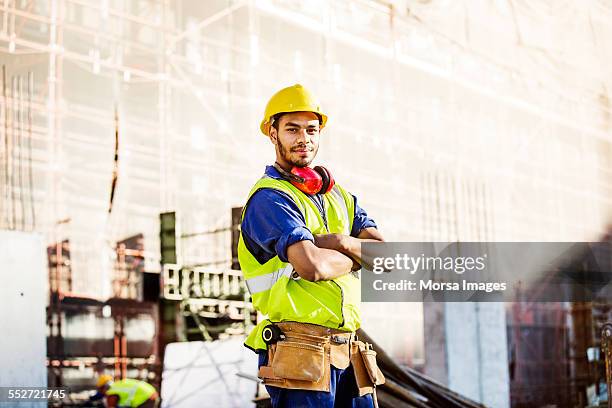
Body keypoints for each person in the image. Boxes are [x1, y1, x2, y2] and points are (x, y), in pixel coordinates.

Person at [238, 84, 385, 407]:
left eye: (311, 130)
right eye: (292, 129)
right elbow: (312, 267)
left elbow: (385, 256)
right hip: (299, 349)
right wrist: (357, 256)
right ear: (272, 133)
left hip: (349, 351)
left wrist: (339, 242)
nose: (304, 138)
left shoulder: (340, 197)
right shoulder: (270, 198)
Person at [94, 375, 159, 408]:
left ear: (105, 386)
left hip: (147, 398)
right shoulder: (118, 385)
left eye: (100, 389)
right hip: (151, 394)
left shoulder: (112, 392)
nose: (100, 392)